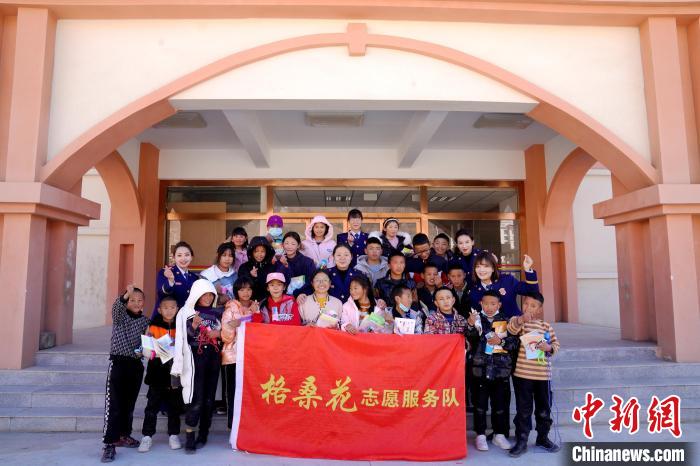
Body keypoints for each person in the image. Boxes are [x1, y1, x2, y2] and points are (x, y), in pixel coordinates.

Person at [171, 279, 222, 454]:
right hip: (195, 359)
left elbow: (225, 333)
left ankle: (203, 434)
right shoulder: (186, 312)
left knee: (209, 398)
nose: (208, 298)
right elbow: (182, 338)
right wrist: (193, 326)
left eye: (211, 295)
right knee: (195, 397)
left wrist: (220, 333)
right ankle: (190, 435)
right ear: (196, 295)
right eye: (204, 295)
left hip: (213, 357)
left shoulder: (217, 312)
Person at [507, 292, 561, 457]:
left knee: (544, 409)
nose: (528, 308)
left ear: (539, 309)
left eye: (533, 306)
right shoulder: (519, 322)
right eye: (526, 304)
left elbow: (556, 344)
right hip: (523, 374)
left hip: (543, 375)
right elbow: (511, 329)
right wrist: (521, 319)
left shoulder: (546, 326)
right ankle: (522, 439)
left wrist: (549, 348)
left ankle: (542, 437)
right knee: (523, 409)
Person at [101, 285, 150, 463]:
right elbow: (116, 307)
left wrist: (146, 347)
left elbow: (147, 342)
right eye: (132, 300)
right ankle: (109, 444)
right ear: (126, 302)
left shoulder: (145, 321)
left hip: (135, 366)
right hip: (118, 364)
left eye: (139, 300)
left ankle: (123, 435)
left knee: (129, 405)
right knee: (114, 405)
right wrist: (125, 295)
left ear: (144, 303)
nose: (136, 303)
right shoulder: (120, 316)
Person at [465, 290, 517, 452]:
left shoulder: (507, 320)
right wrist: (470, 325)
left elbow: (514, 343)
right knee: (479, 405)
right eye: (486, 304)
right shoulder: (476, 319)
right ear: (481, 303)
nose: (489, 307)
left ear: (499, 305)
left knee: (500, 405)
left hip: (501, 370)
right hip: (479, 370)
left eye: (493, 304)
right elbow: (469, 337)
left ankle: (499, 435)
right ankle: (480, 435)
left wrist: (501, 341)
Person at [138, 296, 183, 453]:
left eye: (172, 307)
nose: (169, 311)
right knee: (152, 407)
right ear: (159, 310)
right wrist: (165, 350)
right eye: (165, 308)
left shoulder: (181, 326)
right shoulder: (153, 326)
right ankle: (147, 436)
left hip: (175, 374)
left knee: (174, 407)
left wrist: (164, 349)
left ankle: (174, 435)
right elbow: (146, 350)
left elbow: (183, 349)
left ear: (177, 309)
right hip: (156, 373)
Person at [220, 277, 258, 429]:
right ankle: (233, 426)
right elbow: (225, 336)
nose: (246, 293)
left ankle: (249, 425)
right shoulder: (230, 309)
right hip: (232, 356)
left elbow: (261, 331)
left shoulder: (256, 307)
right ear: (236, 291)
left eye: (248, 289)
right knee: (232, 391)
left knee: (250, 391)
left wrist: (254, 313)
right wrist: (234, 325)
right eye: (242, 289)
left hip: (251, 355)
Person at [469, 251, 539, 318]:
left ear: (493, 268)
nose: (481, 270)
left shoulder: (507, 280)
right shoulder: (473, 290)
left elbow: (532, 291)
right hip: (488, 326)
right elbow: (477, 315)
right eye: (478, 266)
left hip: (514, 324)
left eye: (486, 266)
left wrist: (527, 269)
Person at [297, 243, 367, 305]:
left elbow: (367, 295)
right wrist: (301, 294)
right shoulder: (325, 273)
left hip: (353, 312)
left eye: (346, 255)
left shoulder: (359, 275)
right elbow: (309, 287)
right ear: (333, 257)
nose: (342, 258)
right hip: (330, 312)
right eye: (338, 255)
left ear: (351, 257)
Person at [154, 241, 199, 315]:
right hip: (167, 318)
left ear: (191, 257)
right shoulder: (165, 272)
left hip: (186, 318)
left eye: (187, 255)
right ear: (174, 257)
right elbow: (162, 293)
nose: (183, 259)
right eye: (179, 255)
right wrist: (170, 280)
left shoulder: (194, 277)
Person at [275, 231, 316, 297]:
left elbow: (311, 281)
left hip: (303, 297)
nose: (289, 247)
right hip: (284, 298)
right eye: (286, 243)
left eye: (293, 244)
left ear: (298, 245)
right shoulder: (279, 262)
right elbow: (277, 281)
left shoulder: (308, 262)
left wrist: (298, 294)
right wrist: (284, 266)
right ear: (283, 245)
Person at [238, 236, 277, 301]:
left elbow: (273, 286)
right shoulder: (244, 267)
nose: (259, 254)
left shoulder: (271, 267)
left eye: (262, 251)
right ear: (251, 252)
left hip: (267, 302)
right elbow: (240, 287)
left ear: (267, 252)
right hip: (248, 303)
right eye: (256, 251)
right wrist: (251, 276)